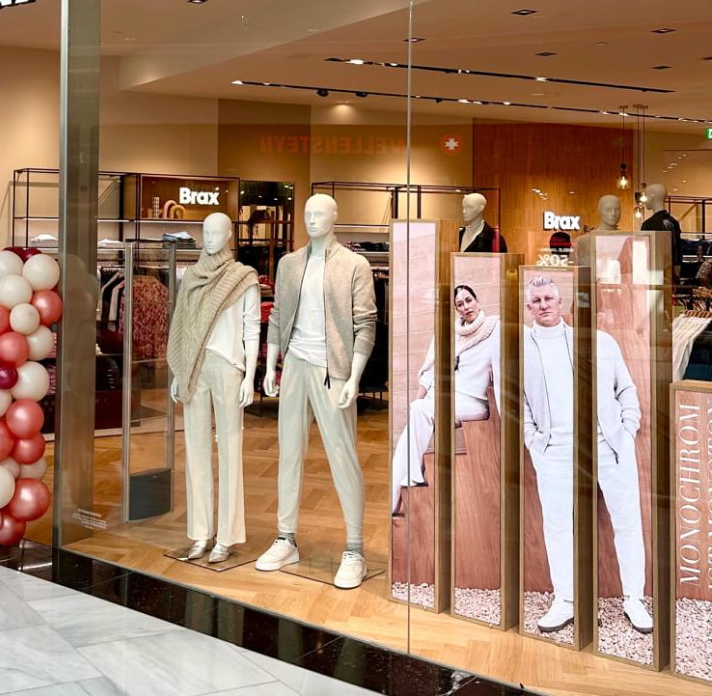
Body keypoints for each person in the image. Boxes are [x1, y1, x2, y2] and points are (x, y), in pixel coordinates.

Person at [254, 194, 376, 589]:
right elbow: (278, 316)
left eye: (319, 213)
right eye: (306, 213)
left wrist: (354, 377)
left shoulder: (355, 265)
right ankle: (286, 537)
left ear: (335, 217)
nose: (311, 219)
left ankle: (355, 548)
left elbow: (366, 324)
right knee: (289, 452)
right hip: (295, 365)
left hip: (333, 371)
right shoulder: (289, 263)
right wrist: (272, 365)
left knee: (343, 456)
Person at [522, 275, 651, 634]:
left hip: (608, 445)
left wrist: (627, 429)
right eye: (537, 300)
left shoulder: (600, 342)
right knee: (557, 525)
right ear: (529, 307)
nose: (544, 305)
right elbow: (515, 402)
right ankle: (565, 600)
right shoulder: (521, 350)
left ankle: (634, 599)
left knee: (627, 521)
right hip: (555, 451)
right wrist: (533, 440)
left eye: (549, 298)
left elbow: (626, 389)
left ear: (560, 302)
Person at [168, 213, 259, 563]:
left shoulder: (243, 277)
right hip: (194, 367)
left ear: (229, 235)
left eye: (216, 232)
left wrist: (250, 376)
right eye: (205, 232)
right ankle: (200, 533)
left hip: (227, 366)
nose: (209, 238)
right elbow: (184, 325)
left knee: (230, 448)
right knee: (195, 448)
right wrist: (179, 371)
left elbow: (252, 328)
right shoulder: (191, 276)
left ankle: (227, 536)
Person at [390, 284, 501, 515]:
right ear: (456, 310)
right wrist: (416, 402)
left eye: (469, 300)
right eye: (460, 304)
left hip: (475, 402)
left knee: (419, 412)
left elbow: (520, 346)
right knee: (413, 423)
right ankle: (399, 495)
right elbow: (430, 372)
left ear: (477, 301)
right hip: (446, 397)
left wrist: (499, 365)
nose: (466, 307)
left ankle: (403, 488)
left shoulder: (495, 327)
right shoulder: (449, 333)